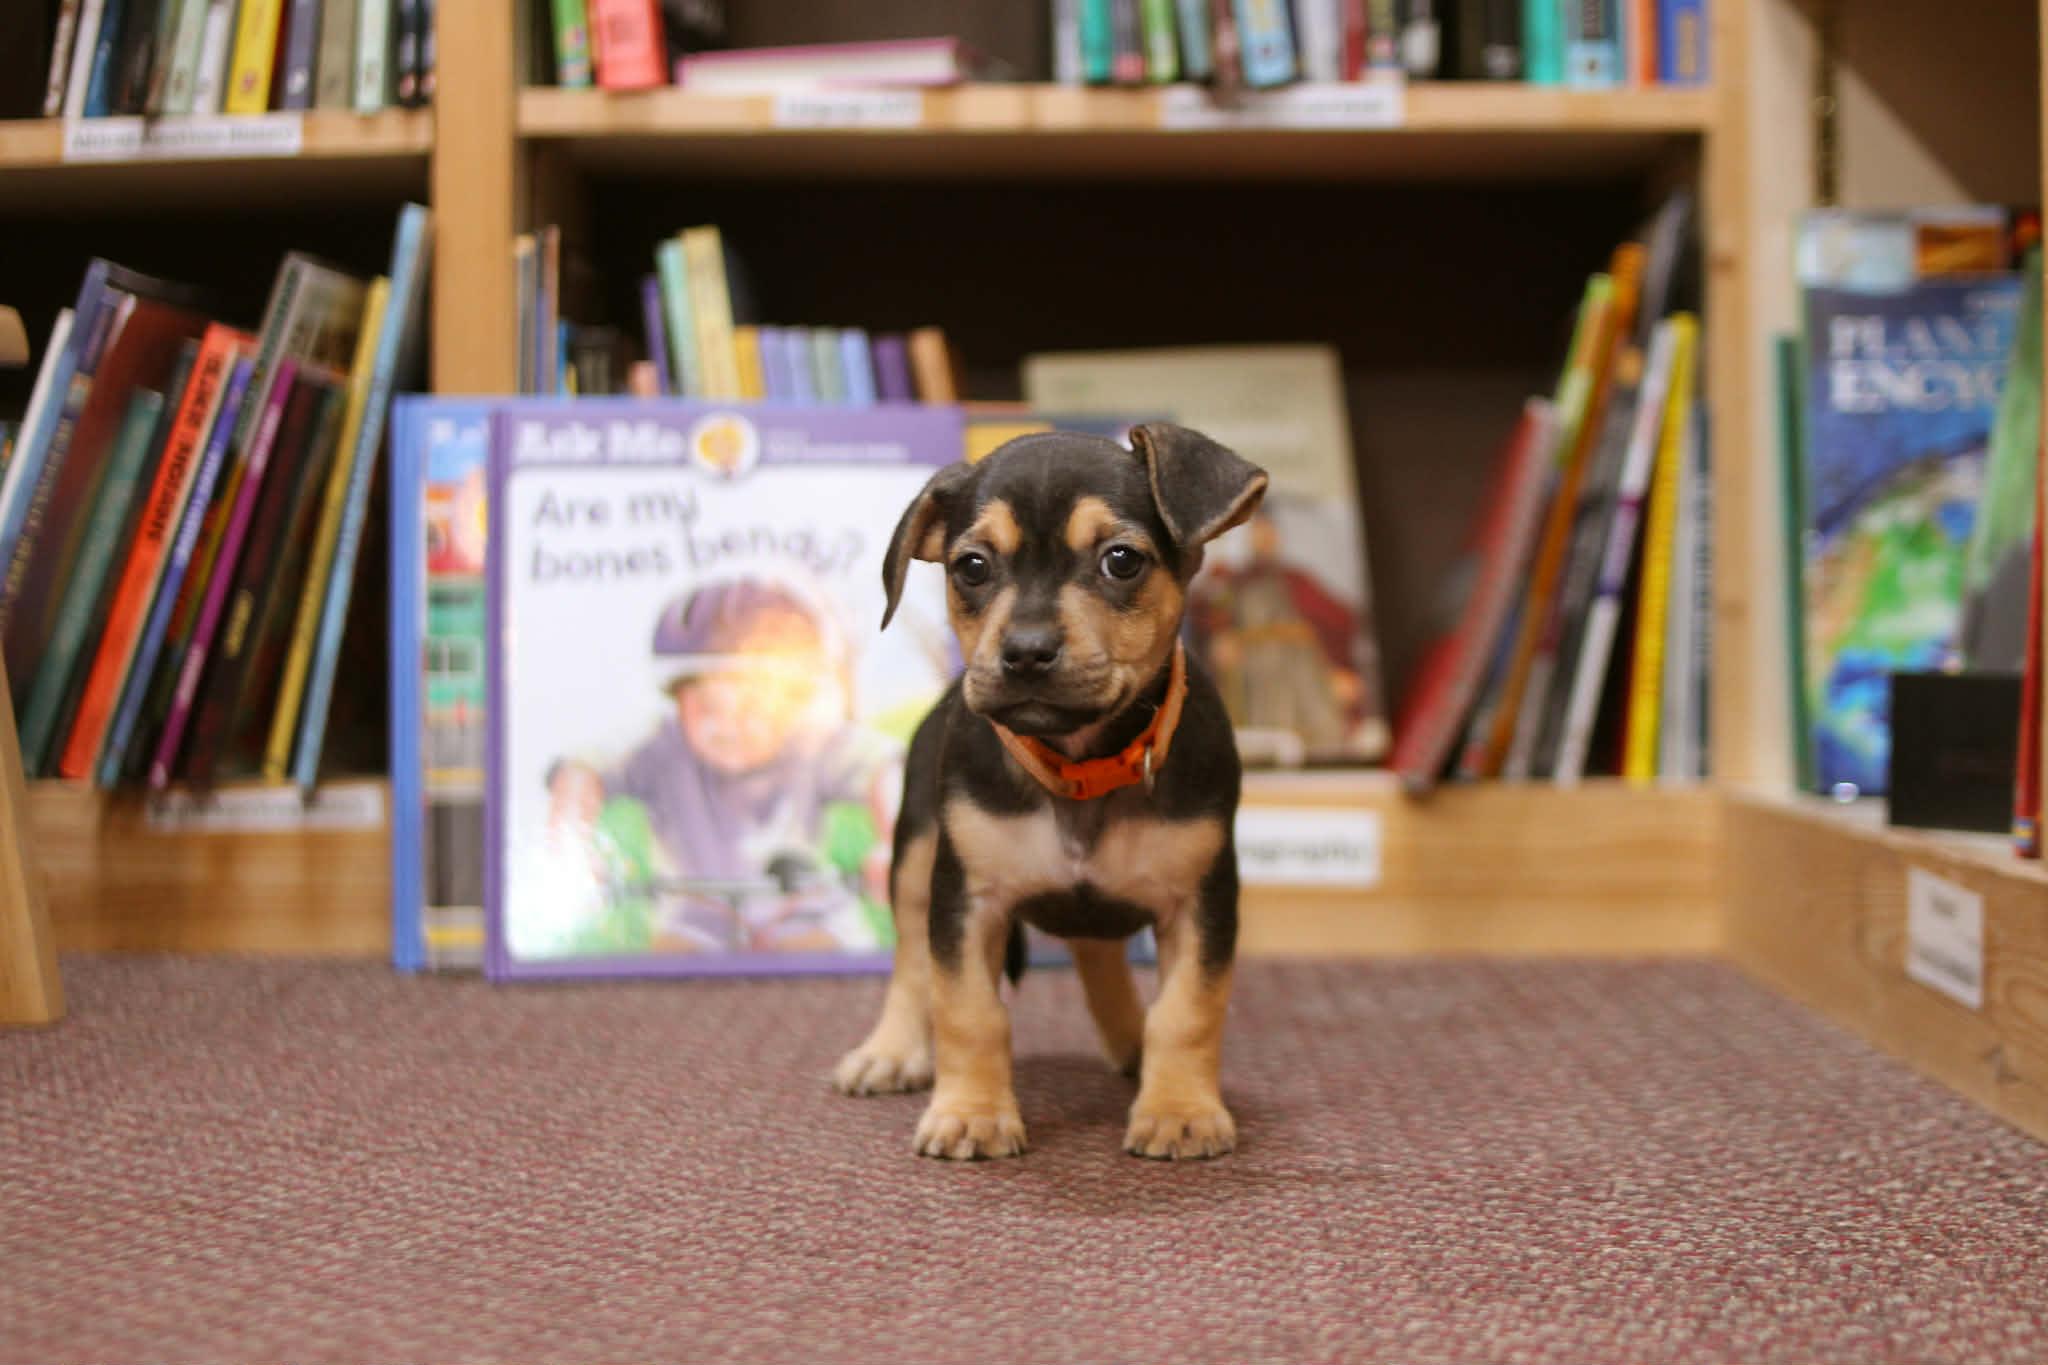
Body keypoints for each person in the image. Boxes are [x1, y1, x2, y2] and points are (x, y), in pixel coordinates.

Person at [542, 578, 898, 958]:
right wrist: (571, 849)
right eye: (709, 708)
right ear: (678, 702)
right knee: (667, 965)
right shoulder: (661, 749)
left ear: (791, 703)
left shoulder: (812, 742)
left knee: (827, 962)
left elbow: (886, 769)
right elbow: (582, 771)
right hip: (697, 914)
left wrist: (895, 845)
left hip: (804, 909)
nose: (730, 725)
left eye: (753, 707)